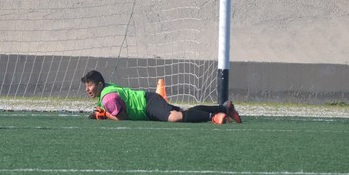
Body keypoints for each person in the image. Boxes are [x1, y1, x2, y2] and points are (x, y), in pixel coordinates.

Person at [80, 70, 241, 124]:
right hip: (148, 102)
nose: (87, 89)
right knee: (183, 112)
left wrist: (105, 115)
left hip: (148, 104)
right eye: (86, 86)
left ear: (100, 84)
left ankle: (214, 117)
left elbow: (122, 118)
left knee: (174, 118)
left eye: (90, 85)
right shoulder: (107, 89)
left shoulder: (107, 98)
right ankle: (224, 108)